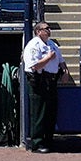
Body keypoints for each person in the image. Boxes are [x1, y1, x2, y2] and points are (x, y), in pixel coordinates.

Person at [18, 22, 64, 152]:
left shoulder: (51, 44)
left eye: (49, 28)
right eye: (46, 29)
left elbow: (61, 60)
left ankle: (48, 141)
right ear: (38, 31)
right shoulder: (33, 45)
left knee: (50, 112)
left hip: (51, 81)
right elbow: (34, 66)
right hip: (39, 80)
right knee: (39, 112)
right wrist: (48, 58)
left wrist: (65, 71)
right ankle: (37, 143)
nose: (49, 30)